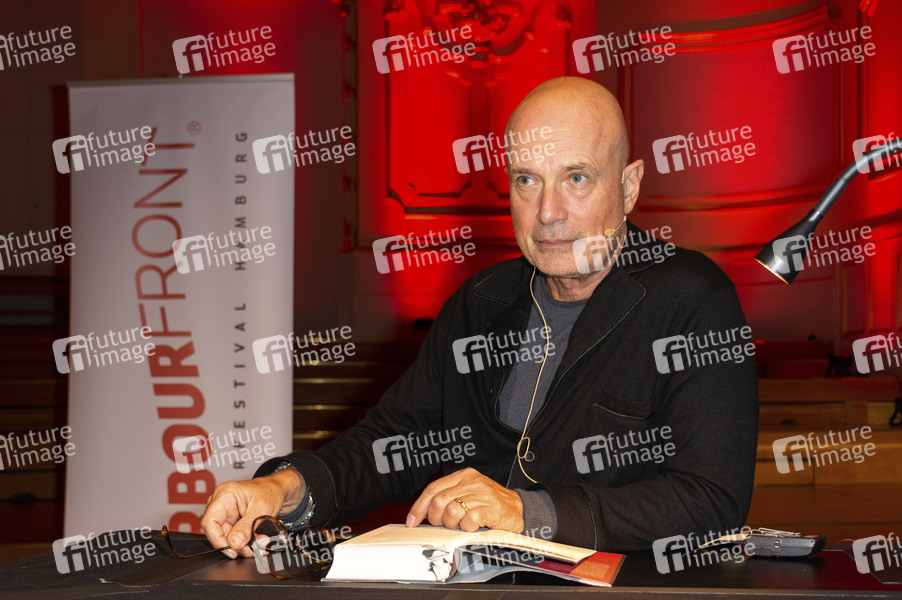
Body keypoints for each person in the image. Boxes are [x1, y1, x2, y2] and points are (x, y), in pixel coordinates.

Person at [200, 76, 758, 557]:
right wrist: (287, 488)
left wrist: (526, 512)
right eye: (526, 180)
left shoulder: (691, 299)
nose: (548, 212)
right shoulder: (480, 303)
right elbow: (395, 440)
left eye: (577, 178)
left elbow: (711, 500)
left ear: (629, 186)